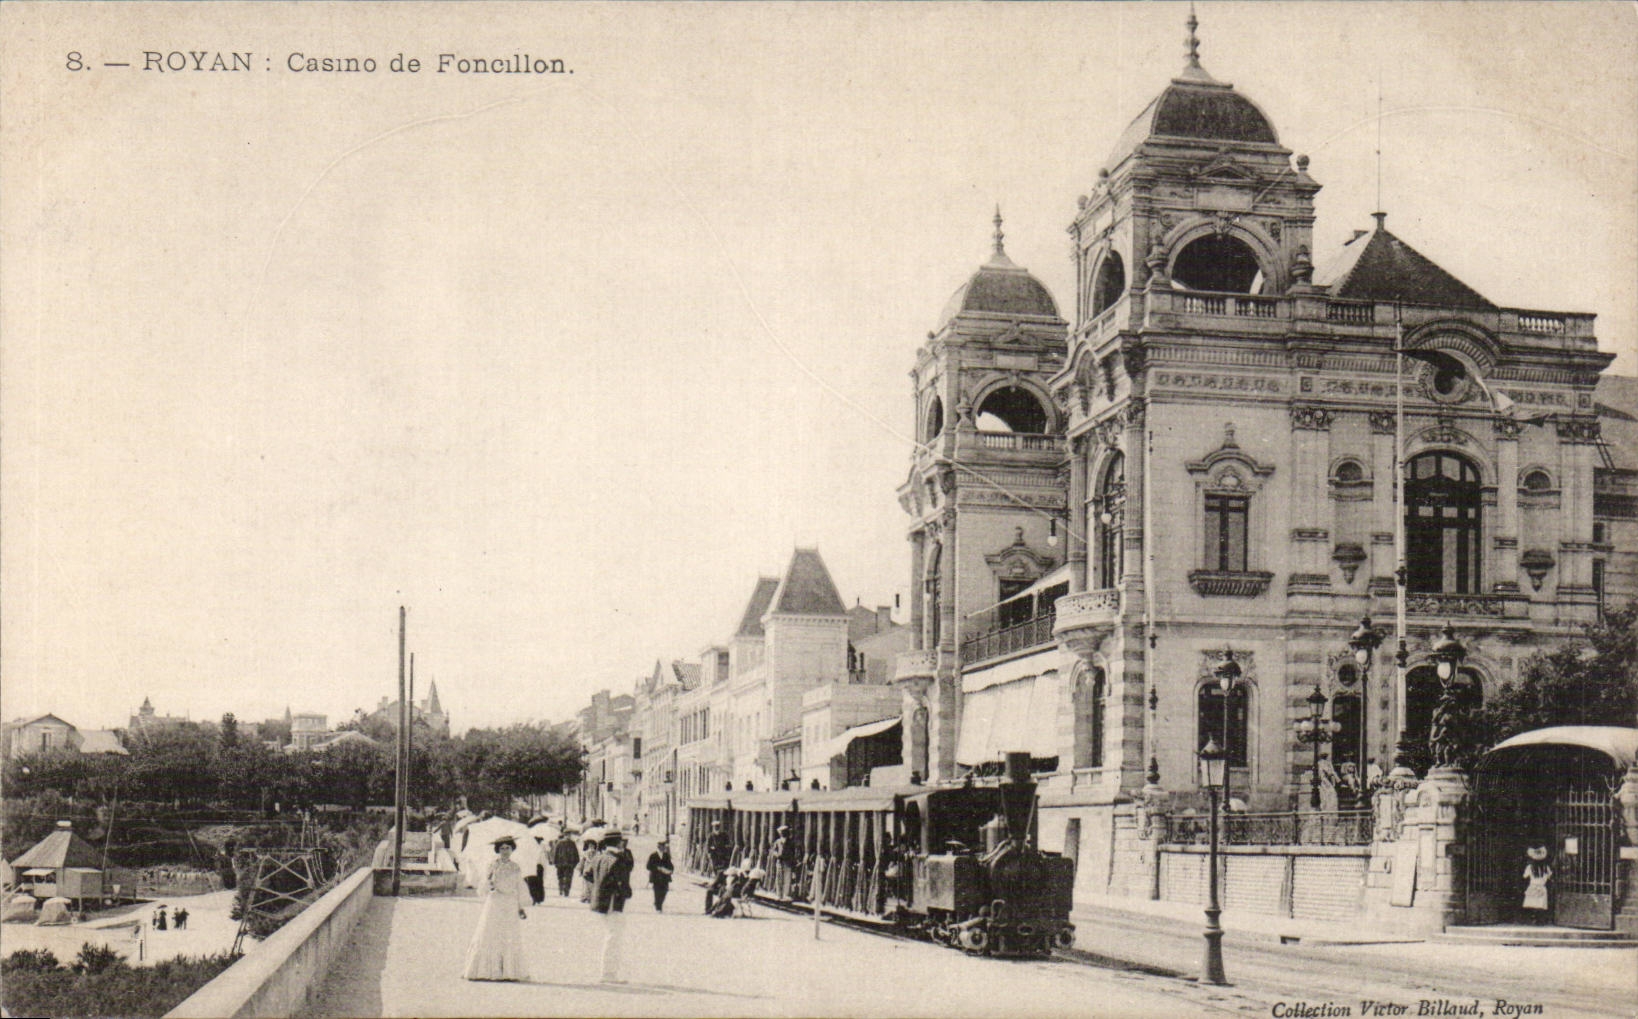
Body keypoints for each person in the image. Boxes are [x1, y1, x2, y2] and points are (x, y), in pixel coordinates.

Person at [462, 835, 530, 981]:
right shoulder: (492, 866)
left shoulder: (516, 867)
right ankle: (485, 971)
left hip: (510, 903)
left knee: (508, 934)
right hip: (495, 902)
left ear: (512, 849)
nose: (505, 851)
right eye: (502, 848)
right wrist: (489, 882)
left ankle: (508, 972)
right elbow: (482, 889)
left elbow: (519, 887)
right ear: (498, 850)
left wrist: (520, 907)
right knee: (490, 932)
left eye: (508, 848)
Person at [589, 830, 634, 983]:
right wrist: (624, 892)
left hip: (600, 902)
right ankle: (609, 974)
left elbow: (587, 874)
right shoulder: (618, 860)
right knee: (614, 938)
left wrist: (599, 888)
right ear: (619, 843)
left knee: (610, 935)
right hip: (613, 902)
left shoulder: (598, 857)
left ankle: (609, 973)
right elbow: (622, 881)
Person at [1522, 846, 1553, 925]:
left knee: (1533, 903)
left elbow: (1525, 876)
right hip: (1542, 887)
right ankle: (1540, 920)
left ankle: (1534, 918)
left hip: (1533, 886)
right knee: (1541, 904)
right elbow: (1549, 876)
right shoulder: (1546, 867)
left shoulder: (1530, 867)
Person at [645, 840, 674, 912]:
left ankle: (658, 902)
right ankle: (658, 907)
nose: (663, 848)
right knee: (657, 891)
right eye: (662, 847)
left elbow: (670, 865)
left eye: (664, 847)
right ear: (658, 847)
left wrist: (670, 870)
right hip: (656, 877)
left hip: (665, 877)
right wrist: (657, 868)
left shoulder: (666, 855)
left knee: (665, 891)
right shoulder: (653, 855)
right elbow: (648, 866)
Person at [550, 829, 580, 896]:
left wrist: (555, 862)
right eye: (568, 835)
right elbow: (556, 853)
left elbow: (575, 854)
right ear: (565, 835)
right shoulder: (566, 843)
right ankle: (563, 889)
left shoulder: (568, 843)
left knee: (565, 877)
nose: (568, 836)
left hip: (565, 864)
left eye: (569, 835)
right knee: (563, 877)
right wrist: (555, 862)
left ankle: (565, 890)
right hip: (565, 864)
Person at [525, 836, 547, 905]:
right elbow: (543, 860)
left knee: (532, 883)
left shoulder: (528, 848)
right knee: (538, 883)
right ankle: (538, 898)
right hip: (537, 867)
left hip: (532, 866)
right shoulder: (540, 849)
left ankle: (534, 898)